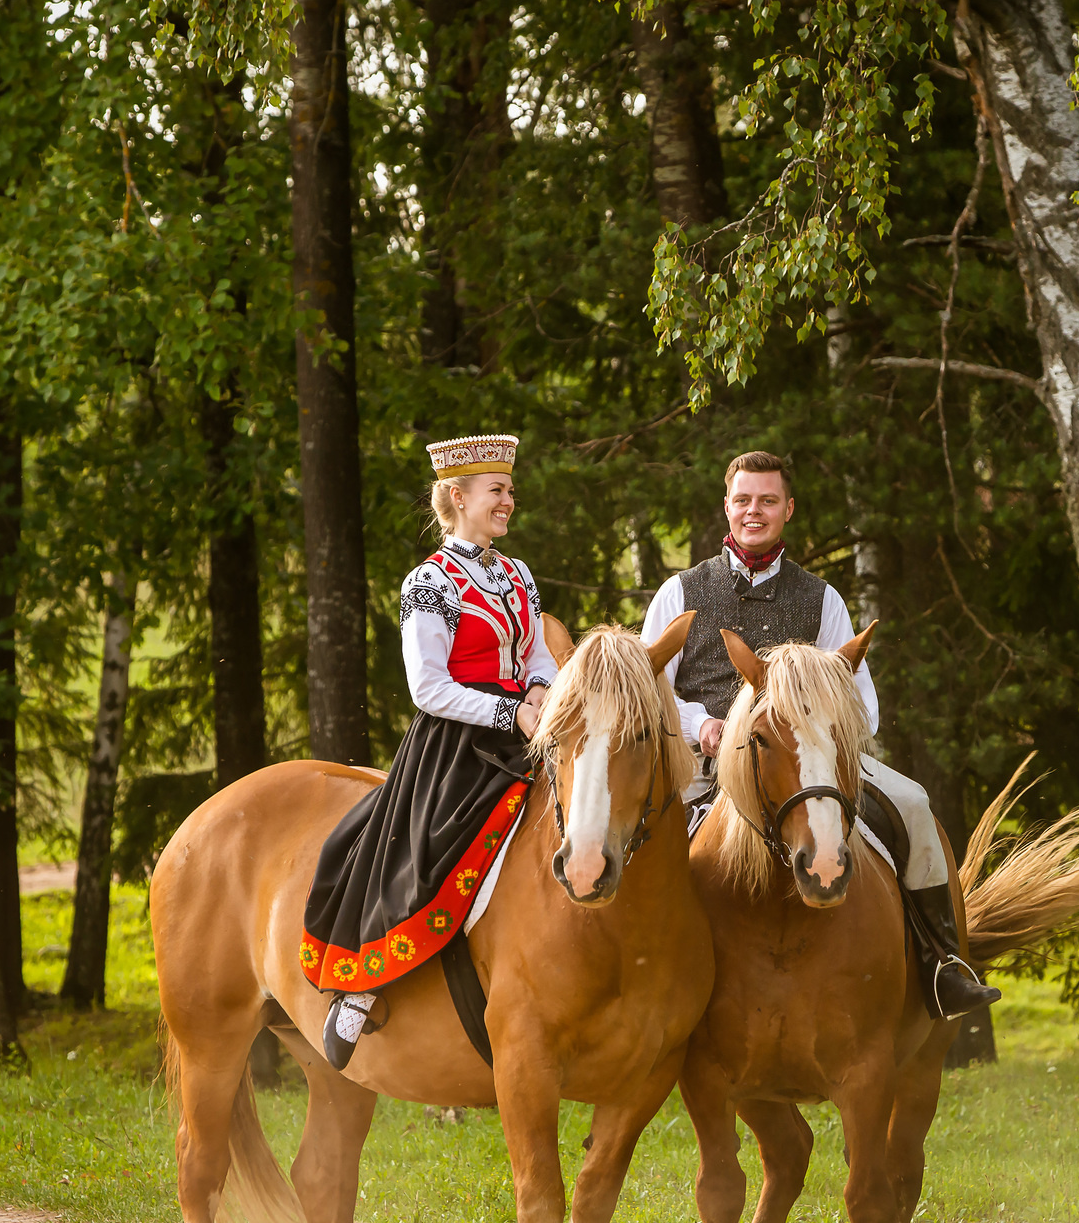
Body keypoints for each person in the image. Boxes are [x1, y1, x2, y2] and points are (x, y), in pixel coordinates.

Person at [639, 449, 998, 1020]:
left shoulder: (822, 598)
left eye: (767, 501)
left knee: (914, 803)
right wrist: (699, 725)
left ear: (788, 510)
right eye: (743, 500)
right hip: (705, 765)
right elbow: (648, 687)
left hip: (812, 765)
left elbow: (863, 702)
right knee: (643, 845)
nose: (753, 511)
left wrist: (826, 744)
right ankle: (648, 983)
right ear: (726, 507)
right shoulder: (679, 593)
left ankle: (941, 964)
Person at [299, 434, 559, 1069]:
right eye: (497, 491)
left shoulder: (517, 573)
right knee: (425, 852)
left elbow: (540, 654)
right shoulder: (429, 583)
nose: (508, 501)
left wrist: (545, 695)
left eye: (509, 491)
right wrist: (510, 710)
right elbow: (428, 687)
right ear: (458, 496)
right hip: (460, 742)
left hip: (532, 727)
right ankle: (360, 988)